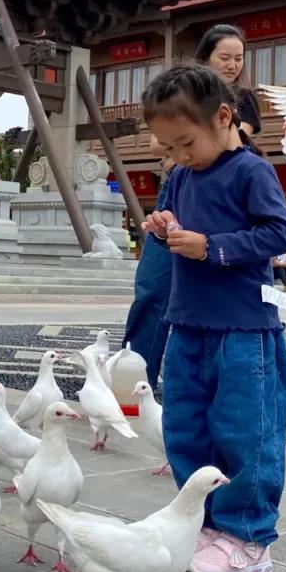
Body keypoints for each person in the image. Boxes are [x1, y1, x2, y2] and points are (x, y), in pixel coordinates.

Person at [142, 65, 286, 572]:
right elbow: (171, 221)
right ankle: (203, 522)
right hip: (188, 321)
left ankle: (248, 536)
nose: (178, 157)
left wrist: (213, 247)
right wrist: (162, 227)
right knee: (185, 427)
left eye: (184, 143)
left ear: (223, 117)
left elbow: (280, 232)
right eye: (168, 149)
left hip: (243, 328)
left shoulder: (252, 171)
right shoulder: (182, 176)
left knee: (243, 432)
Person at [122, 135, 176, 389]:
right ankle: (134, 377)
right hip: (177, 180)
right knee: (152, 290)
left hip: (216, 186)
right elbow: (156, 142)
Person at [195, 24, 261, 137]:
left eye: (238, 59)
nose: (232, 66)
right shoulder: (187, 93)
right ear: (206, 58)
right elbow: (158, 144)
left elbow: (240, 139)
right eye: (224, 58)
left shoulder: (244, 97)